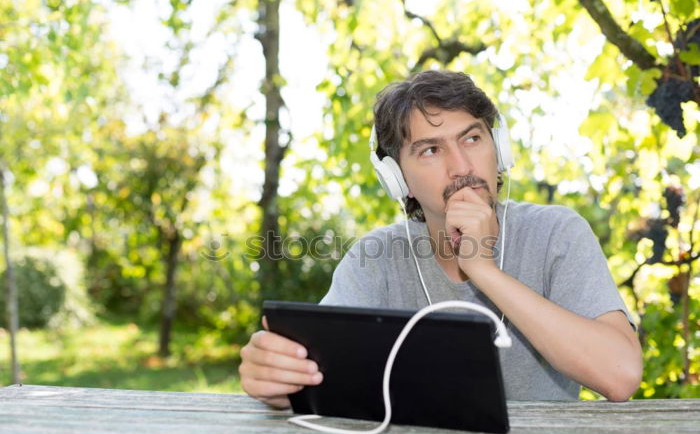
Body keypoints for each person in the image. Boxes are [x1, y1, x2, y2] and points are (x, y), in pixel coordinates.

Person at [239, 70, 643, 409]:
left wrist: (482, 268)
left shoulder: (556, 233)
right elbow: (313, 373)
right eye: (431, 149)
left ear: (498, 148)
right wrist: (278, 376)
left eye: (472, 138)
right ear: (398, 179)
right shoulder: (375, 259)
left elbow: (620, 375)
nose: (462, 167)